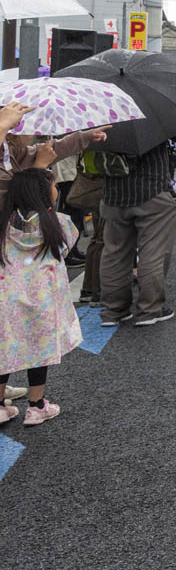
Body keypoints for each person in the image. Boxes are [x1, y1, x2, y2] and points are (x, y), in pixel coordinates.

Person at [0, 166, 82, 427]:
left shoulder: (3, 225)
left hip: (6, 301)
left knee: (5, 349)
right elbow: (65, 249)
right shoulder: (58, 223)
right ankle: (36, 407)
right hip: (43, 302)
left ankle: (0, 406)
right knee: (38, 350)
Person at [98, 138, 176, 329]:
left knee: (114, 253)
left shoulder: (102, 113)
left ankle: (113, 310)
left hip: (113, 192)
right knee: (153, 251)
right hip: (151, 188)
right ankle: (149, 309)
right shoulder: (152, 112)